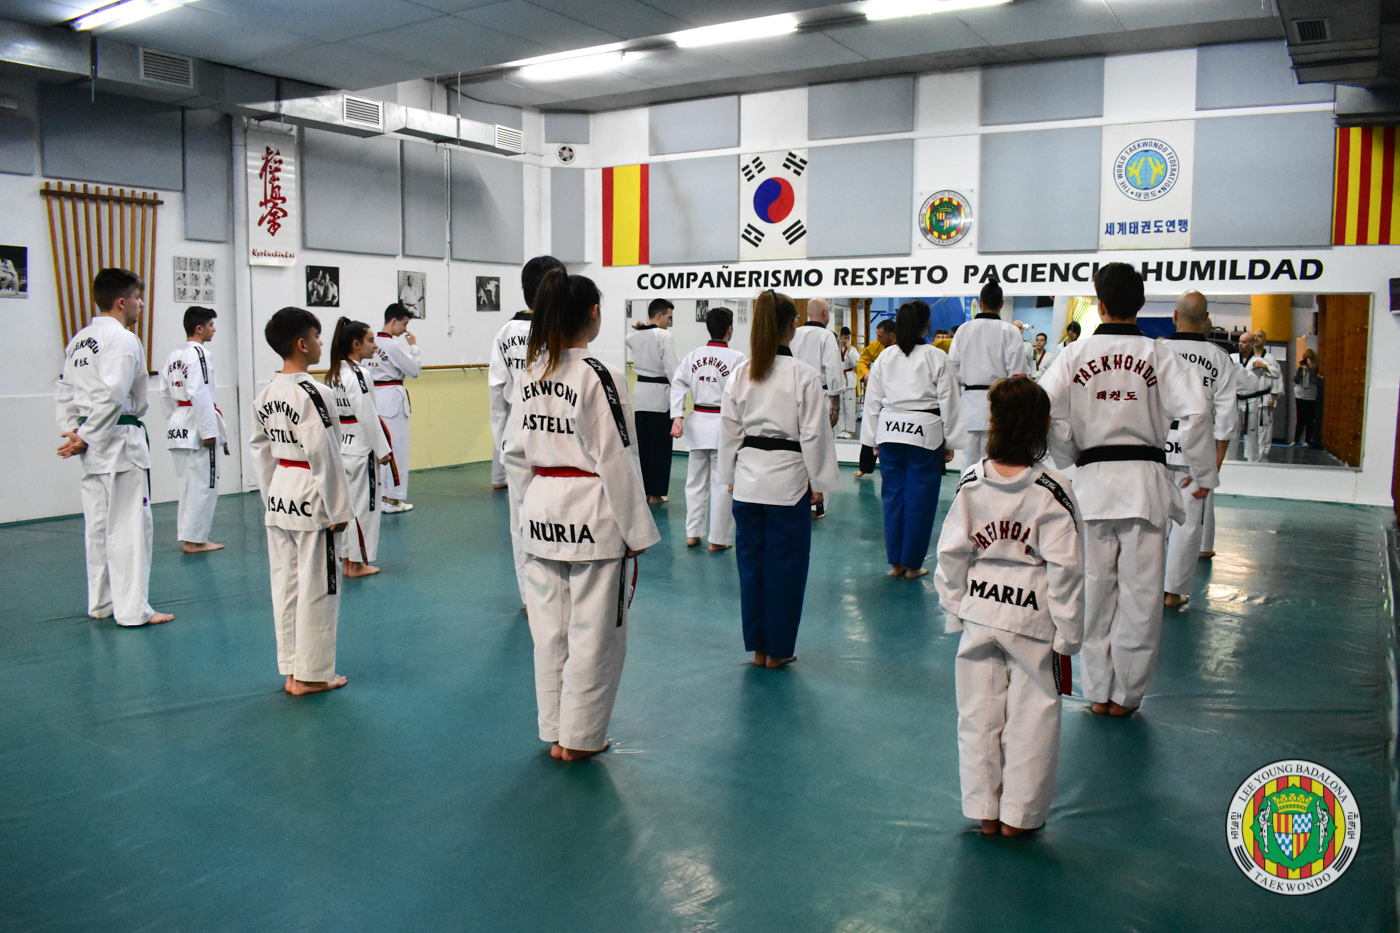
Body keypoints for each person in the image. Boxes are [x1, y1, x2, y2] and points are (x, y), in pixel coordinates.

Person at [1038, 263, 1215, 717]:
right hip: (1145, 488)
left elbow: (1045, 408)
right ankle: (1127, 696)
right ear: (1140, 304)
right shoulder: (1160, 355)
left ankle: (1098, 692)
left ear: (1099, 305)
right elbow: (1197, 412)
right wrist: (1202, 473)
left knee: (1094, 593)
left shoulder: (1073, 355)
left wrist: (1068, 451)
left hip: (1093, 487)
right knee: (1142, 597)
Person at [503, 270, 660, 761]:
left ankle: (555, 729)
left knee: (550, 631)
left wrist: (532, 504)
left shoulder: (530, 374)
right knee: (596, 634)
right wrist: (635, 530)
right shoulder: (599, 374)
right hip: (592, 514)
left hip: (541, 508)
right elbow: (617, 457)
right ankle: (581, 738)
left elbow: (513, 454)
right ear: (593, 313)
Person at [935, 376, 1083, 837]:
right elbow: (1067, 568)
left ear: (993, 421)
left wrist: (953, 607)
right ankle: (1019, 817)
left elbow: (951, 552)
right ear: (1044, 425)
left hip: (979, 611)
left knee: (977, 714)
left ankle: (984, 810)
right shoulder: (1052, 489)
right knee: (1033, 717)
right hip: (1031, 618)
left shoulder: (972, 481)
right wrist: (1069, 632)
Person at [718, 290, 840, 668]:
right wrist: (819, 482)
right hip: (789, 481)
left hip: (748, 479)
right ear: (793, 326)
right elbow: (815, 434)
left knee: (751, 567)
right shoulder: (803, 375)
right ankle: (779, 650)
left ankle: (758, 649)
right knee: (785, 569)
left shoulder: (741, 374)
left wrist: (729, 476)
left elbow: (729, 431)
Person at [56, 268, 173, 627]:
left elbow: (65, 392)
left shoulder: (79, 340)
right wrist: (86, 435)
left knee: (98, 527)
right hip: (119, 441)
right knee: (130, 527)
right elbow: (114, 394)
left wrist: (73, 432)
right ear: (122, 302)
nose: (141, 304)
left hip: (92, 446)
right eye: (138, 298)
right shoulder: (122, 339)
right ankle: (133, 609)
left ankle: (102, 602)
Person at [250, 307, 352, 695]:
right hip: (312, 490)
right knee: (318, 587)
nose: (321, 343)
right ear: (302, 344)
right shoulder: (314, 392)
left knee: (286, 585)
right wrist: (339, 508)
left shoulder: (266, 392)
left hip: (281, 489)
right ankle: (313, 675)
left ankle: (292, 670)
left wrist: (270, 497)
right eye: (316, 336)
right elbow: (324, 451)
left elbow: (260, 450)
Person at [861, 300, 964, 579]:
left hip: (890, 430)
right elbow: (949, 401)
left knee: (892, 496)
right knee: (921, 499)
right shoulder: (936, 356)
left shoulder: (885, 357)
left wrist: (871, 438)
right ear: (926, 325)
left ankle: (896, 563)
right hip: (925, 433)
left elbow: (872, 400)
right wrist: (950, 441)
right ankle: (913, 565)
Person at [492, 256, 567, 607]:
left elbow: (497, 393)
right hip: (556, 430)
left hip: (516, 431)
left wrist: (502, 445)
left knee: (521, 518)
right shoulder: (561, 331)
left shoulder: (505, 333)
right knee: (561, 510)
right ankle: (559, 589)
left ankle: (530, 598)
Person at [1160, 293, 1238, 609]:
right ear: (1206, 318)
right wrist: (1214, 465)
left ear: (1174, 315)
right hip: (1196, 452)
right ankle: (1172, 592)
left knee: (1153, 520)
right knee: (1188, 524)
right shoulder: (1220, 358)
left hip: (1155, 447)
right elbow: (1227, 417)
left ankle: (1147, 587)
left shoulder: (1157, 351)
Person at [670, 306, 747, 552]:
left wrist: (677, 416)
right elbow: (743, 395)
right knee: (722, 484)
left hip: (697, 424)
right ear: (730, 329)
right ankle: (719, 539)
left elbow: (678, 384)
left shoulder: (693, 356)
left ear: (707, 328)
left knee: (694, 483)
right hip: (724, 427)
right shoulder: (737, 359)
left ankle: (693, 533)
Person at [324, 318, 394, 579]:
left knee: (346, 506)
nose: (375, 346)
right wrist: (382, 449)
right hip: (361, 447)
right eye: (370, 340)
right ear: (356, 344)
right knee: (364, 508)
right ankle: (356, 564)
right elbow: (367, 414)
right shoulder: (359, 374)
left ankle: (346, 560)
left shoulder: (333, 375)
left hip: (341, 445)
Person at [157, 305, 229, 554]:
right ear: (199, 328)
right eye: (211, 325)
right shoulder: (200, 354)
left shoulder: (174, 355)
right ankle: (197, 540)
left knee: (187, 486)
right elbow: (200, 392)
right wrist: (208, 430)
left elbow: (164, 393)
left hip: (180, 422)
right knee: (205, 485)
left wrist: (174, 420)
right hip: (197, 425)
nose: (214, 329)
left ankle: (190, 538)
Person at [949, 281, 1026, 464]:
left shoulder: (963, 330)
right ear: (1002, 304)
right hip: (1001, 404)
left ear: (980, 302)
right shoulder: (1011, 331)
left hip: (969, 404)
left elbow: (952, 368)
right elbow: (1018, 374)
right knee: (995, 461)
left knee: (969, 463)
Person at [789, 297, 843, 517]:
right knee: (820, 447)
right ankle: (817, 505)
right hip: (819, 394)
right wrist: (836, 404)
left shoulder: (795, 333)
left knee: (797, 446)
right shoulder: (827, 336)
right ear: (825, 313)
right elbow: (833, 370)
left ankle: (798, 495)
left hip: (793, 394)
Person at [366, 304, 421, 512]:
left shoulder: (371, 343)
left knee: (379, 449)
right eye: (404, 324)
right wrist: (414, 348)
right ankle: (391, 499)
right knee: (397, 449)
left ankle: (381, 497)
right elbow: (414, 371)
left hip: (374, 399)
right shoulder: (392, 345)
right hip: (392, 402)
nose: (405, 329)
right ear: (394, 321)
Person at [627, 297, 678, 505]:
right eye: (668, 317)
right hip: (660, 396)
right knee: (660, 448)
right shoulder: (664, 335)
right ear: (659, 315)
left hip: (640, 395)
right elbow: (671, 368)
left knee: (643, 446)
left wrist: (642, 328)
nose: (669, 322)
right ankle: (656, 494)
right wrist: (680, 390)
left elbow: (629, 338)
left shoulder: (633, 336)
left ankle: (643, 490)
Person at [854, 319, 896, 478]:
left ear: (891, 335)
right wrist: (866, 373)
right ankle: (865, 467)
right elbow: (863, 359)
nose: (877, 338)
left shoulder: (902, 349)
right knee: (870, 427)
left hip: (895, 397)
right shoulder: (877, 345)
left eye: (880, 336)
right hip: (878, 392)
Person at [1234, 332, 1270, 463]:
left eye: (1244, 342)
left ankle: (1253, 461)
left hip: (1251, 401)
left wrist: (1265, 367)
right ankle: (1229, 460)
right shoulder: (1232, 358)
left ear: (1252, 344)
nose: (1240, 344)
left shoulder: (1259, 361)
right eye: (1240, 341)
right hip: (1235, 400)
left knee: (1251, 434)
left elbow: (1276, 374)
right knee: (1232, 433)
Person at [1250, 328, 1282, 458]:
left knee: (1264, 426)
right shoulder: (1248, 356)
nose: (1256, 338)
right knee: (1251, 428)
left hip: (1265, 396)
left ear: (1265, 340)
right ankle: (1251, 452)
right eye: (1254, 336)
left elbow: (1277, 377)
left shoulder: (1270, 358)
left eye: (1259, 336)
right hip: (1249, 397)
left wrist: (1273, 397)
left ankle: (1264, 451)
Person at [836, 326, 859, 438]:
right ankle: (841, 429)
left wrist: (849, 350)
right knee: (840, 406)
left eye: (848, 338)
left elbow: (855, 362)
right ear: (840, 336)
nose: (846, 340)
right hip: (839, 378)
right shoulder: (835, 349)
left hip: (849, 378)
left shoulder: (852, 350)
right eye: (845, 338)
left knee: (849, 407)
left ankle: (849, 430)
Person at [1294, 349, 1320, 447]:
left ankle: (1307, 440)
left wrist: (1310, 368)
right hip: (1300, 395)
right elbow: (1296, 380)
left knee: (1309, 420)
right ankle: (1296, 440)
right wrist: (1300, 370)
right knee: (1300, 419)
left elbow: (1314, 381)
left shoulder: (1314, 368)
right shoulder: (1301, 368)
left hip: (1310, 397)